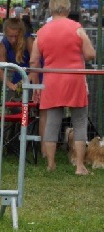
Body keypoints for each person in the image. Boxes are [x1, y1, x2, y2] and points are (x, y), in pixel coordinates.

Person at [30, 0, 96, 175]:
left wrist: (35, 81)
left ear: (50, 10)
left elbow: (34, 60)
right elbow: (90, 54)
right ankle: (80, 166)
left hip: (52, 81)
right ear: (68, 9)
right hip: (75, 80)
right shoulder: (77, 28)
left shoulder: (42, 32)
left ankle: (51, 164)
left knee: (52, 123)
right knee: (80, 123)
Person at [0, 18, 32, 93]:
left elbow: (37, 65)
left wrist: (25, 81)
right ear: (5, 34)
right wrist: (10, 85)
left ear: (21, 33)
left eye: (16, 36)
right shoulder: (3, 44)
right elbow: (0, 70)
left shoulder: (28, 40)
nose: (13, 40)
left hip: (34, 80)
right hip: (17, 80)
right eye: (10, 36)